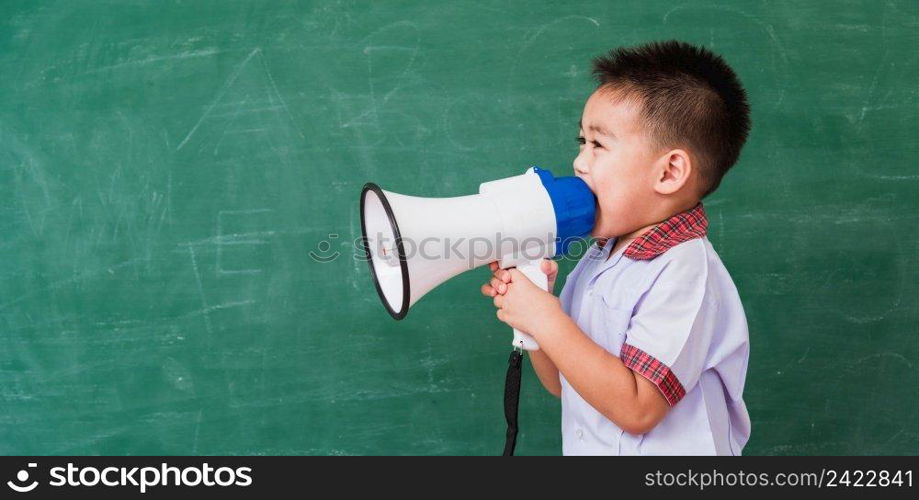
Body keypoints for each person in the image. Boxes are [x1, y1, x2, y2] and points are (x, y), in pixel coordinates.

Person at [482, 40, 752, 455]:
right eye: (581, 142)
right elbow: (564, 384)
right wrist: (536, 316)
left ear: (670, 172)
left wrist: (546, 318)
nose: (579, 162)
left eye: (598, 145)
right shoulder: (601, 255)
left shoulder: (684, 270)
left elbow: (638, 408)